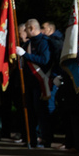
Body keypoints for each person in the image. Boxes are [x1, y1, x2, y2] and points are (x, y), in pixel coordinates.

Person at [16, 19, 52, 148]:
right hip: (29, 83)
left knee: (41, 112)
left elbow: (44, 60)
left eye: (26, 29)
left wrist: (26, 55)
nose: (25, 32)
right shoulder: (28, 44)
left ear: (31, 28)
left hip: (40, 82)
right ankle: (32, 139)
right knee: (30, 111)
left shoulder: (44, 42)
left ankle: (45, 139)